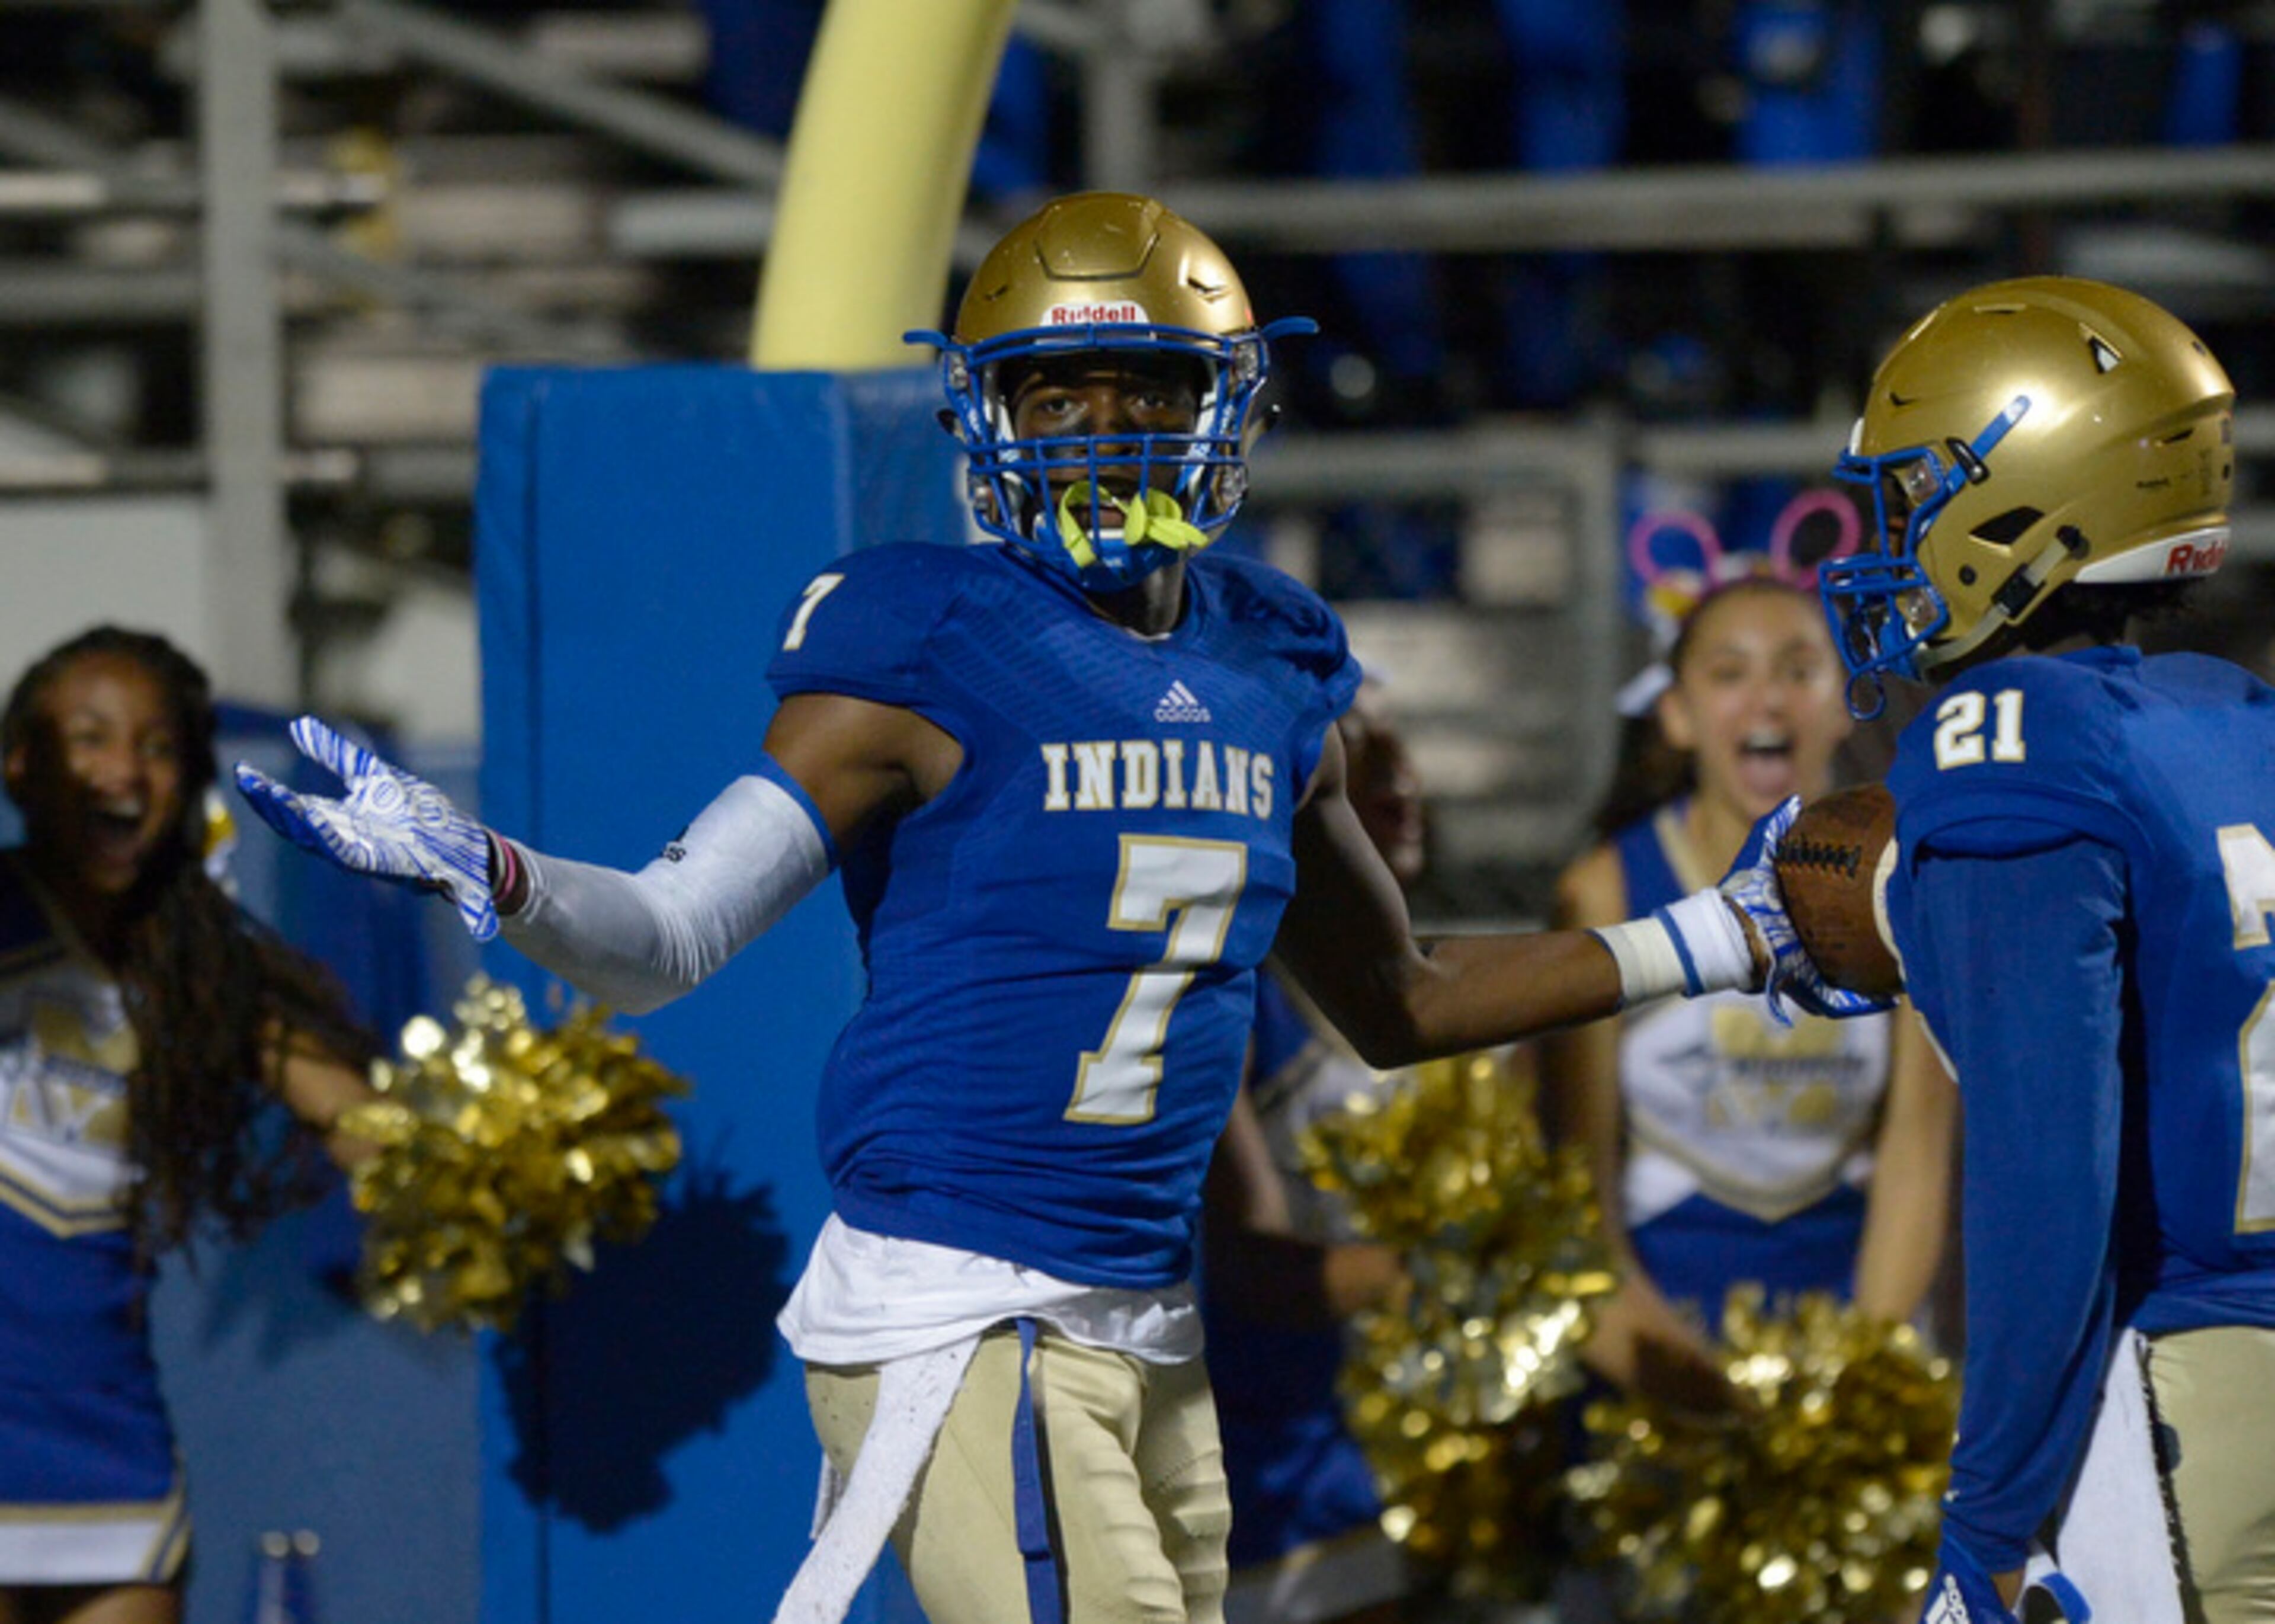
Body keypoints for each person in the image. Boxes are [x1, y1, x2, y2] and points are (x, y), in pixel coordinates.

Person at [231, 192, 1850, 1624]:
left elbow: (1401, 998)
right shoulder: (924, 634)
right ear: (985, 416)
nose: (1094, 430)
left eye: (1139, 389)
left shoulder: (1274, 662)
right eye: (1050, 394)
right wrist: (498, 872)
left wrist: (1724, 932)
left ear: (1224, 405)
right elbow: (670, 934)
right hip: (958, 1296)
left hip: (1144, 1310)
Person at [1816, 276, 2273, 1624]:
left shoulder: (2010, 736)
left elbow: (2046, 1188)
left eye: (1915, 496)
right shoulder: (2237, 716)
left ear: (2029, 495)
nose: (1893, 538)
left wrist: (1990, 1519)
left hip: (2181, 1394)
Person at [0, 626, 378, 1624]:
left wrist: (483, 1164)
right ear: (22, 763)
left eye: (158, 745)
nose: (124, 769)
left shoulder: (202, 968)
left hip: (102, 1432)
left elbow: (365, 1125)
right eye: (89, 737)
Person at [1542, 575, 1954, 1405]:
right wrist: (1693, 1398)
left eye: (1800, 670)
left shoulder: (1897, 886)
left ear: (1843, 705)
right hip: (1655, 1364)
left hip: (1845, 1360)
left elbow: (1917, 1155)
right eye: (1730, 673)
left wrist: (1851, 1383)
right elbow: (1575, 1194)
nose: (1768, 699)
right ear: (1677, 714)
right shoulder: (1607, 889)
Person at [1200, 679, 1422, 1624]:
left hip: (1409, 1448)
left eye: (1403, 746)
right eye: (1360, 746)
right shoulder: (1231, 981)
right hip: (1271, 1467)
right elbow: (1235, 1258)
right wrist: (1431, 1284)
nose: (1401, 781)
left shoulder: (1443, 971)